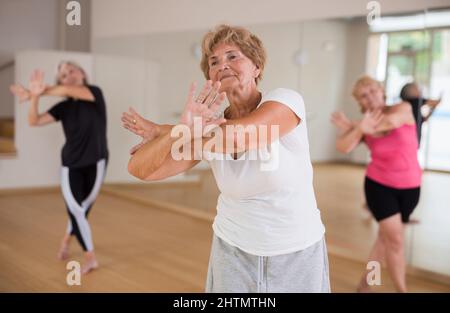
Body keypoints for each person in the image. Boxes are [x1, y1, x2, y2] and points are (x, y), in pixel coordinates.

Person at [122, 24, 330, 292]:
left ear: (257, 67)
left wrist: (173, 131)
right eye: (214, 61)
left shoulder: (286, 101)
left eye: (233, 56)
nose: (223, 65)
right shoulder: (208, 127)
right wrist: (178, 132)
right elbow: (140, 169)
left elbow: (240, 136)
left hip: (295, 250)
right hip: (232, 251)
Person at [10, 61, 108, 274]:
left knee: (84, 208)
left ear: (82, 73)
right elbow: (34, 120)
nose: (68, 75)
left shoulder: (94, 94)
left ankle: (65, 240)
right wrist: (34, 97)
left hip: (97, 162)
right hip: (71, 164)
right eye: (63, 75)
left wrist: (36, 91)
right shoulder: (63, 107)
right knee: (76, 209)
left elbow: (66, 90)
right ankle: (90, 257)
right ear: (60, 81)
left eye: (71, 70)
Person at [331, 76, 421, 292]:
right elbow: (343, 146)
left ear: (382, 90)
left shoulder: (403, 108)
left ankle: (366, 283)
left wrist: (356, 126)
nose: (370, 97)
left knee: (384, 240)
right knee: (396, 240)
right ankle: (402, 290)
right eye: (364, 95)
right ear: (360, 102)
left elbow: (389, 123)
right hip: (379, 186)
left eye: (373, 90)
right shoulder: (363, 124)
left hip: (411, 187)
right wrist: (359, 128)